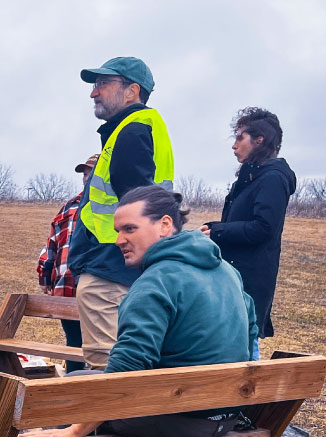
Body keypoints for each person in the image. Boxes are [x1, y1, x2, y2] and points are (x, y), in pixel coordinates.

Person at [21, 186, 257, 437]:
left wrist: (74, 430)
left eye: (129, 229)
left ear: (164, 225)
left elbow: (124, 376)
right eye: (117, 230)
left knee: (77, 384)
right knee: (135, 386)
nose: (118, 240)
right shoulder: (227, 273)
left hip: (184, 421)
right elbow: (250, 337)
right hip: (226, 417)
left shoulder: (155, 283)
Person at [66, 57, 174, 370]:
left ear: (131, 91)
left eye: (102, 84)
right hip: (117, 269)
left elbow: (138, 208)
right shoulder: (138, 129)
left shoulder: (132, 132)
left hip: (111, 273)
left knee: (110, 370)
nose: (93, 93)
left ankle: (106, 422)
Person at [200, 108, 296, 356]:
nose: (234, 146)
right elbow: (242, 221)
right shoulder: (253, 177)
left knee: (245, 339)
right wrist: (213, 228)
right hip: (236, 275)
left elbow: (264, 227)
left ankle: (251, 393)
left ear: (259, 139)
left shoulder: (273, 178)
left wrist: (218, 232)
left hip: (250, 280)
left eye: (239, 137)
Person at [36, 154, 98, 371]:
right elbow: (51, 244)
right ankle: (75, 383)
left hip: (97, 289)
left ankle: (85, 384)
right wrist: (44, 277)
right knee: (74, 343)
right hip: (67, 288)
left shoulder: (110, 207)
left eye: (91, 171)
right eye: (85, 173)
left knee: (97, 344)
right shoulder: (68, 207)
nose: (87, 177)